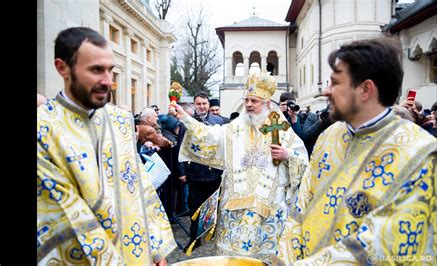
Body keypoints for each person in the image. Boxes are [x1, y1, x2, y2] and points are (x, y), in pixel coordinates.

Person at [277, 36, 437, 264]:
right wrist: (285, 258)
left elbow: (381, 245)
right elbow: (301, 206)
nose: (326, 92)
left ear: (365, 89)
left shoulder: (420, 154)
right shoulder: (329, 137)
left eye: (335, 83)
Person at [37, 27, 176, 265]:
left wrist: (155, 248)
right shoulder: (43, 129)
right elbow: (67, 216)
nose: (107, 81)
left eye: (110, 70)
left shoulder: (120, 122)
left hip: (137, 254)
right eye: (95, 70)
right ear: (63, 68)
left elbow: (140, 188)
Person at [170, 71, 308, 263]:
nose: (249, 104)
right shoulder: (235, 127)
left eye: (255, 101)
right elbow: (210, 136)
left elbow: (302, 159)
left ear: (267, 104)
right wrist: (186, 117)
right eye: (247, 100)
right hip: (234, 210)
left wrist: (287, 155)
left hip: (268, 209)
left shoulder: (280, 128)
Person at [180, 92, 225, 253]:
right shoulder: (187, 122)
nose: (202, 106)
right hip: (195, 173)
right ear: (194, 104)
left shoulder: (219, 121)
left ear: (208, 104)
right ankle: (194, 238)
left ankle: (214, 235)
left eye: (204, 104)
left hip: (214, 173)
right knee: (194, 207)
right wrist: (181, 172)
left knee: (214, 206)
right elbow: (181, 147)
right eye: (198, 104)